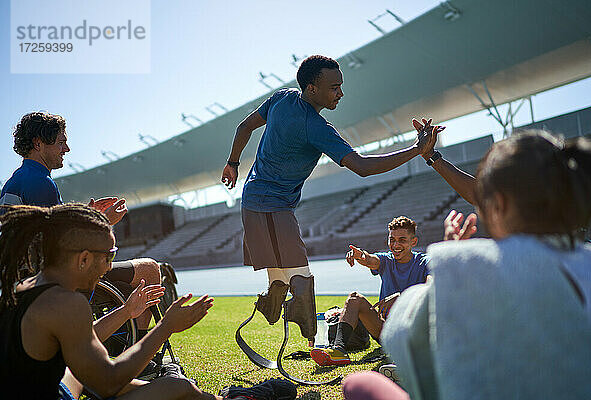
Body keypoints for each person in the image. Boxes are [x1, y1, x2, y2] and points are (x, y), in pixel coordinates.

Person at [221, 55, 443, 344]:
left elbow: (243, 128)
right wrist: (417, 149)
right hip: (271, 206)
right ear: (312, 88)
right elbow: (362, 167)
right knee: (301, 278)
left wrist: (233, 163)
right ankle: (313, 336)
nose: (341, 93)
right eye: (334, 87)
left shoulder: (281, 98)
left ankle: (273, 304)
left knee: (279, 281)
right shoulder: (317, 128)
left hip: (253, 201)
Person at [381, 130, 591, 400]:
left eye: (482, 200)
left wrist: (447, 267)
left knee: (360, 385)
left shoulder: (466, 265)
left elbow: (401, 337)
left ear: (499, 204)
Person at [0, 204, 297, 400]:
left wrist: (127, 311)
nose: (108, 268)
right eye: (110, 256)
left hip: (53, 386)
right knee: (176, 388)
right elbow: (107, 382)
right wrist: (166, 326)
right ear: (84, 258)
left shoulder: (26, 287)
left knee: (178, 389)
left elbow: (80, 337)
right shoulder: (66, 303)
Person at [0, 111, 161, 336]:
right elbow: (63, 244)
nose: (66, 149)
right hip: (56, 280)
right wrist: (103, 222)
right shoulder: (40, 182)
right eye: (61, 142)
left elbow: (49, 230)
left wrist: (88, 214)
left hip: (27, 279)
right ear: (38, 143)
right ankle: (139, 350)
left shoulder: (14, 182)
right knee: (150, 269)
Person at [310, 216, 430, 366]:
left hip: (413, 330)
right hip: (385, 329)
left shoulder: (425, 262)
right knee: (354, 299)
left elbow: (431, 288)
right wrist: (360, 255)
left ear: (414, 242)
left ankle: (407, 355)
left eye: (402, 240)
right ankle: (338, 350)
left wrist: (401, 298)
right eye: (392, 239)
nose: (395, 245)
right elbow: (370, 260)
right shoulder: (387, 260)